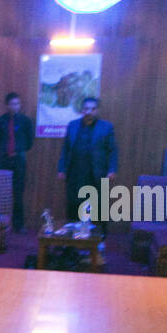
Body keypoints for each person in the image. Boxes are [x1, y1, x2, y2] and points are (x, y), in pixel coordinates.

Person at [57, 96, 118, 236]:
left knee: (99, 208)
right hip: (75, 173)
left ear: (97, 110)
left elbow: (113, 150)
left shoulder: (106, 127)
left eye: (92, 109)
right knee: (74, 206)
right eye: (86, 108)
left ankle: (100, 240)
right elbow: (65, 149)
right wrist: (61, 169)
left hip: (97, 173)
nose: (89, 111)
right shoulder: (73, 125)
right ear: (82, 110)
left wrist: (112, 169)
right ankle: (72, 239)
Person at [0, 92, 34, 232]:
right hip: (3, 158)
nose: (15, 106)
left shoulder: (26, 121)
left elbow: (30, 142)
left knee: (18, 193)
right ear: (7, 105)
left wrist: (18, 149)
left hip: (19, 159)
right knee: (0, 192)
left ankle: (18, 225)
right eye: (12, 104)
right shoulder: (0, 121)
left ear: (20, 105)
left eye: (17, 104)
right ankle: (0, 225)